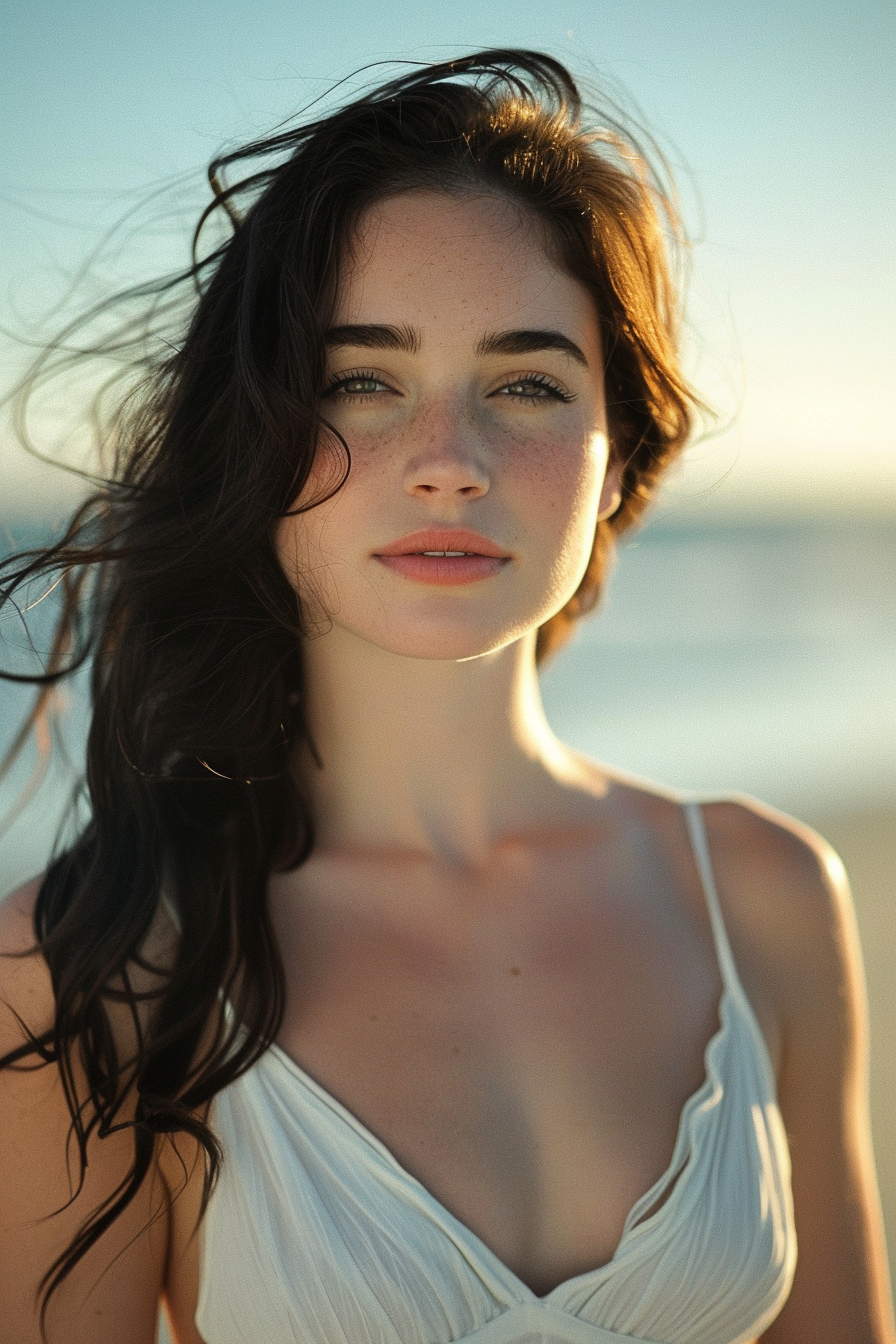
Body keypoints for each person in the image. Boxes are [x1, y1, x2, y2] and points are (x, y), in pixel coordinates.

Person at [0, 50, 893, 1344]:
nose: (449, 464)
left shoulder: (763, 895)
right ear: (253, 434)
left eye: (527, 384)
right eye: (362, 380)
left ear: (619, 449)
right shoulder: (90, 969)